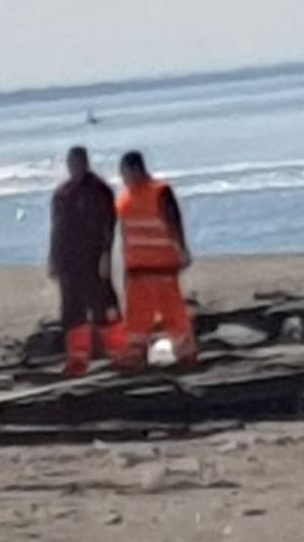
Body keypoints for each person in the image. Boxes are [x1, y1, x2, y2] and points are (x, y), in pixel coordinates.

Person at [116, 151, 197, 367]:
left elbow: (174, 220)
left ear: (136, 169)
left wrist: (182, 249)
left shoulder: (159, 192)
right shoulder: (124, 200)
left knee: (173, 313)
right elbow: (125, 236)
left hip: (162, 266)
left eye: (124, 173)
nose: (123, 178)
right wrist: (125, 269)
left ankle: (185, 353)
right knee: (136, 317)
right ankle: (135, 354)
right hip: (138, 269)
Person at [49, 147, 123, 374]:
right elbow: (56, 230)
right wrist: (53, 259)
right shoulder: (62, 194)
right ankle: (78, 357)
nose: (74, 168)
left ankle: (118, 351)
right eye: (71, 164)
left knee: (104, 304)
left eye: (78, 163)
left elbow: (108, 227)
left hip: (93, 257)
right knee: (72, 309)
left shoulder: (99, 191)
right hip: (68, 260)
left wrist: (105, 256)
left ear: (86, 163)